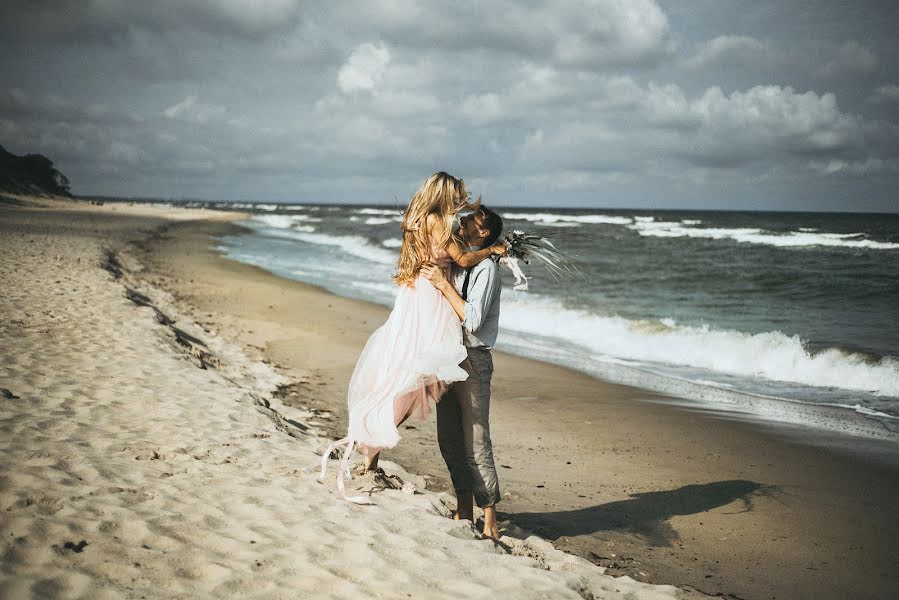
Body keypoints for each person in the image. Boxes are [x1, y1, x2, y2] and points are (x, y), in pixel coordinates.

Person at [319, 172, 506, 503]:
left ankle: (369, 444)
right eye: (458, 196)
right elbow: (462, 259)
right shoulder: (439, 222)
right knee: (426, 370)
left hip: (413, 296)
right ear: (445, 194)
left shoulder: (418, 219)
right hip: (431, 300)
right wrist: (492, 249)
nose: (461, 205)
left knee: (400, 367)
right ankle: (374, 433)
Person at [421, 206, 503, 540]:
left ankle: (490, 519)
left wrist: (442, 284)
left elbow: (473, 319)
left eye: (471, 220)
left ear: (483, 232)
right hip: (447, 355)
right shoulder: (460, 260)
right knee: (449, 439)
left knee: (476, 441)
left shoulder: (487, 270)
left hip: (473, 360)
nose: (464, 221)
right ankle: (463, 507)